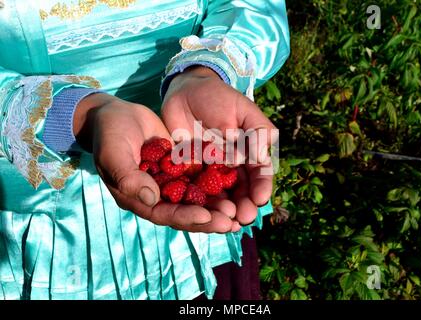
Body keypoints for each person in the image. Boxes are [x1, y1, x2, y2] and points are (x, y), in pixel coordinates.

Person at [0, 0, 289, 299]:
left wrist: (205, 71)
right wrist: (78, 116)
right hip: (54, 225)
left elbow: (253, 8)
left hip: (188, 182)